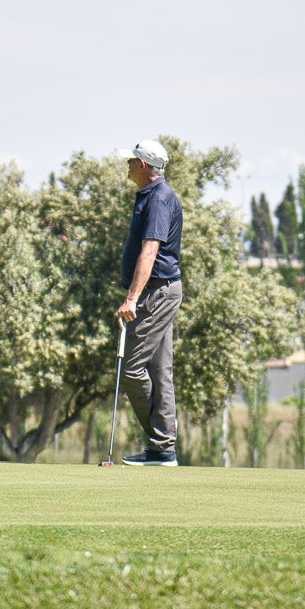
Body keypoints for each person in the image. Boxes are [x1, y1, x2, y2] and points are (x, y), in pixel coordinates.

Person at [116, 139, 183, 467]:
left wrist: (132, 298)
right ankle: (162, 449)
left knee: (132, 368)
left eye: (131, 161)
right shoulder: (151, 195)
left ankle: (162, 440)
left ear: (143, 165)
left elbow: (150, 250)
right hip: (159, 290)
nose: (127, 165)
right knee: (159, 370)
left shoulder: (159, 198)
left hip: (157, 292)